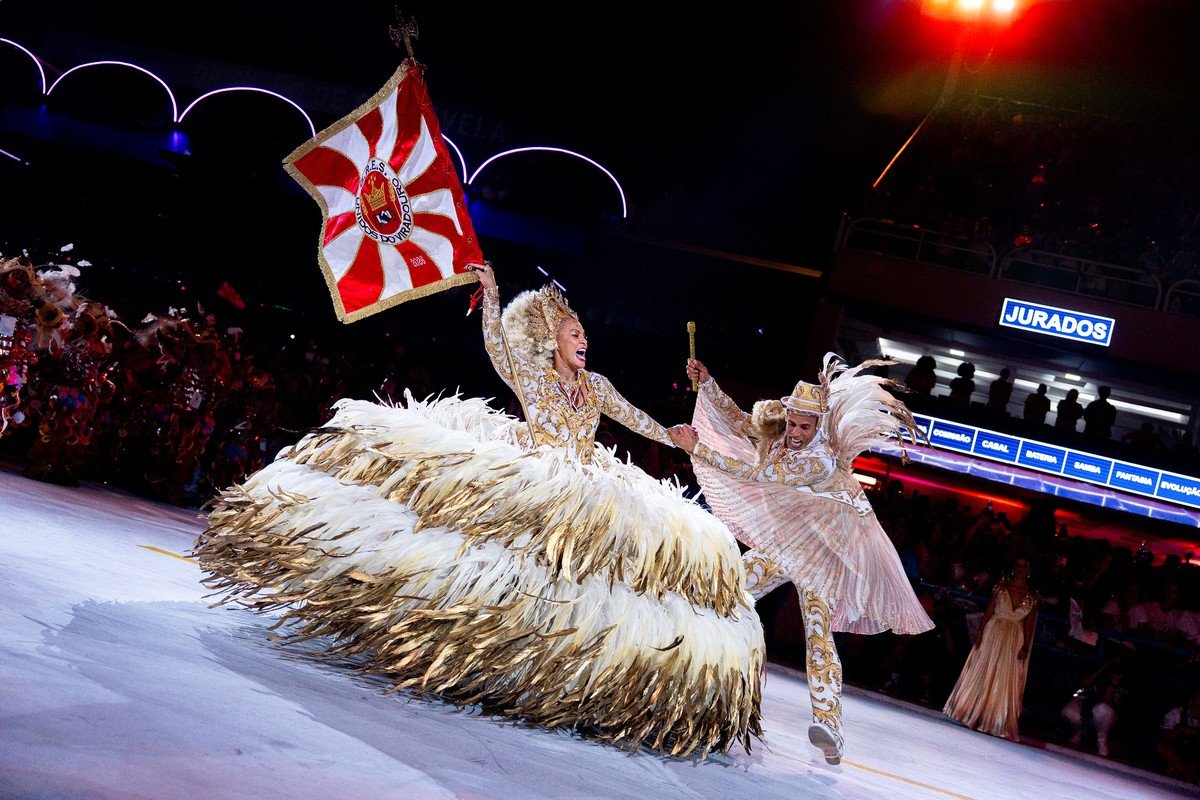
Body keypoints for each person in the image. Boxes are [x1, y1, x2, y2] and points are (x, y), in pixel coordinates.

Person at [191, 262, 767, 759]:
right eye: (572, 330)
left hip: (584, 484)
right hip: (537, 478)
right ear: (552, 339)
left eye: (584, 331)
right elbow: (495, 347)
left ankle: (556, 673)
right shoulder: (535, 377)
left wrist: (674, 437)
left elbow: (636, 418)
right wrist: (491, 294)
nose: (582, 337)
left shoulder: (597, 386)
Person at [670, 353, 935, 765]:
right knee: (724, 596)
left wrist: (698, 449)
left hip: (823, 555)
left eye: (804, 427)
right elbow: (742, 422)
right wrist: (708, 383)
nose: (794, 432)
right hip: (784, 543)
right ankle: (681, 674)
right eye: (792, 423)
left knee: (817, 631)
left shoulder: (819, 458)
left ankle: (830, 726)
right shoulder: (781, 433)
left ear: (818, 426)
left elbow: (758, 476)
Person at [943, 557, 1039, 742]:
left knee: (1004, 675)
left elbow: (1029, 622)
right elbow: (990, 609)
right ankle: (970, 711)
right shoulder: (1001, 586)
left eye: (1024, 566)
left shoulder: (1032, 595)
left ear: (1029, 569)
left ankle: (996, 719)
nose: (1020, 569)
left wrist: (1026, 645)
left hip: (1014, 637)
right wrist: (980, 631)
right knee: (983, 670)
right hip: (994, 631)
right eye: (1017, 565)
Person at [1060, 650, 1131, 757]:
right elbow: (1083, 685)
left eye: (1117, 665)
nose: (1113, 668)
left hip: (1105, 715)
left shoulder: (1123, 682)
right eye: (1112, 664)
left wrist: (1113, 683)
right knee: (1068, 711)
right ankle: (1079, 731)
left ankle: (1102, 741)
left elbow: (1106, 702)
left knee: (1101, 708)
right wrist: (1101, 669)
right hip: (1086, 706)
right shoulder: (1099, 672)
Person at [1156, 688, 1200, 783]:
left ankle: (1185, 770)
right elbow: (1165, 737)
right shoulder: (1177, 713)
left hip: (1193, 755)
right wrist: (1181, 731)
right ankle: (1188, 772)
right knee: (1163, 749)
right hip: (1176, 752)